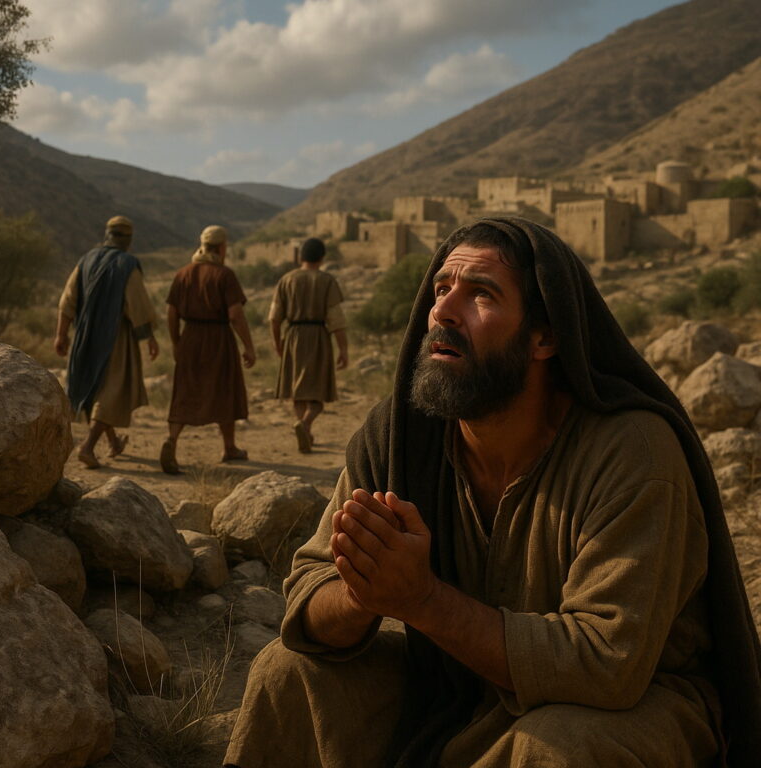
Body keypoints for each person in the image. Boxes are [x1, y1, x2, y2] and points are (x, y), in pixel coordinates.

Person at [225, 217, 761, 768]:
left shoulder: (631, 453)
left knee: (560, 746)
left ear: (545, 336)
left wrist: (421, 600)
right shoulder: (402, 440)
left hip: (634, 707)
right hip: (454, 686)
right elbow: (310, 593)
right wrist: (365, 591)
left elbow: (608, 663)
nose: (444, 311)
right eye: (440, 289)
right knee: (286, 672)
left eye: (481, 294)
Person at [55, 215, 159, 469]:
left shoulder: (86, 260)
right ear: (128, 239)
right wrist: (149, 337)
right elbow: (137, 305)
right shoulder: (127, 264)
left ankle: (113, 443)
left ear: (107, 235)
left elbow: (67, 300)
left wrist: (61, 334)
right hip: (115, 337)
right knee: (111, 392)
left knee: (95, 388)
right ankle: (88, 447)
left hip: (84, 335)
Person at [160, 225, 256, 474]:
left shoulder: (183, 274)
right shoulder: (224, 275)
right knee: (225, 389)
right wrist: (248, 345)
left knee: (185, 390)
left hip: (190, 337)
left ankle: (172, 440)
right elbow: (235, 315)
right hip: (219, 338)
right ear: (222, 247)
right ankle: (229, 447)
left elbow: (171, 312)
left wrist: (176, 341)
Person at [269, 237, 348, 453]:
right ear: (322, 257)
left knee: (298, 391)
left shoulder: (286, 280)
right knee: (317, 395)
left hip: (293, 337)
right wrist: (343, 349)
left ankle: (305, 429)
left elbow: (274, 318)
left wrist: (278, 343)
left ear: (299, 256)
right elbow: (336, 320)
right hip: (318, 338)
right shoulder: (326, 281)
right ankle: (305, 425)